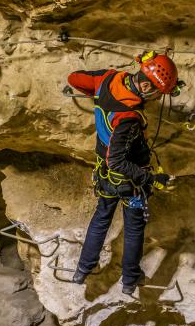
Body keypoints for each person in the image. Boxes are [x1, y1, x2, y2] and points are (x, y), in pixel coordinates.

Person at [66, 51, 179, 295]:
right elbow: (117, 161)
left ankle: (82, 270)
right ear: (145, 86)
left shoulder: (108, 79)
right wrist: (152, 179)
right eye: (157, 93)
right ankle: (129, 280)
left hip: (104, 176)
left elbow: (74, 78)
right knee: (134, 228)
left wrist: (99, 95)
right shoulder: (128, 116)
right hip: (129, 182)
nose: (157, 98)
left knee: (101, 219)